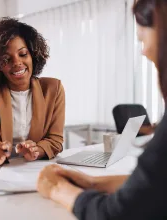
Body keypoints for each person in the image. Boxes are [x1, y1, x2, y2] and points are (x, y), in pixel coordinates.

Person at [37, 0, 167, 219]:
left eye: (143, 39)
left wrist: (56, 188)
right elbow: (156, 187)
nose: (144, 51)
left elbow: (116, 214)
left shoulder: (53, 88)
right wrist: (92, 183)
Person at [0, 18, 65, 166]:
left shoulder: (53, 89)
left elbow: (55, 140)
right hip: (0, 172)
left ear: (33, 54)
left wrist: (37, 150)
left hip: (36, 169)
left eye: (23, 54)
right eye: (6, 59)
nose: (17, 63)